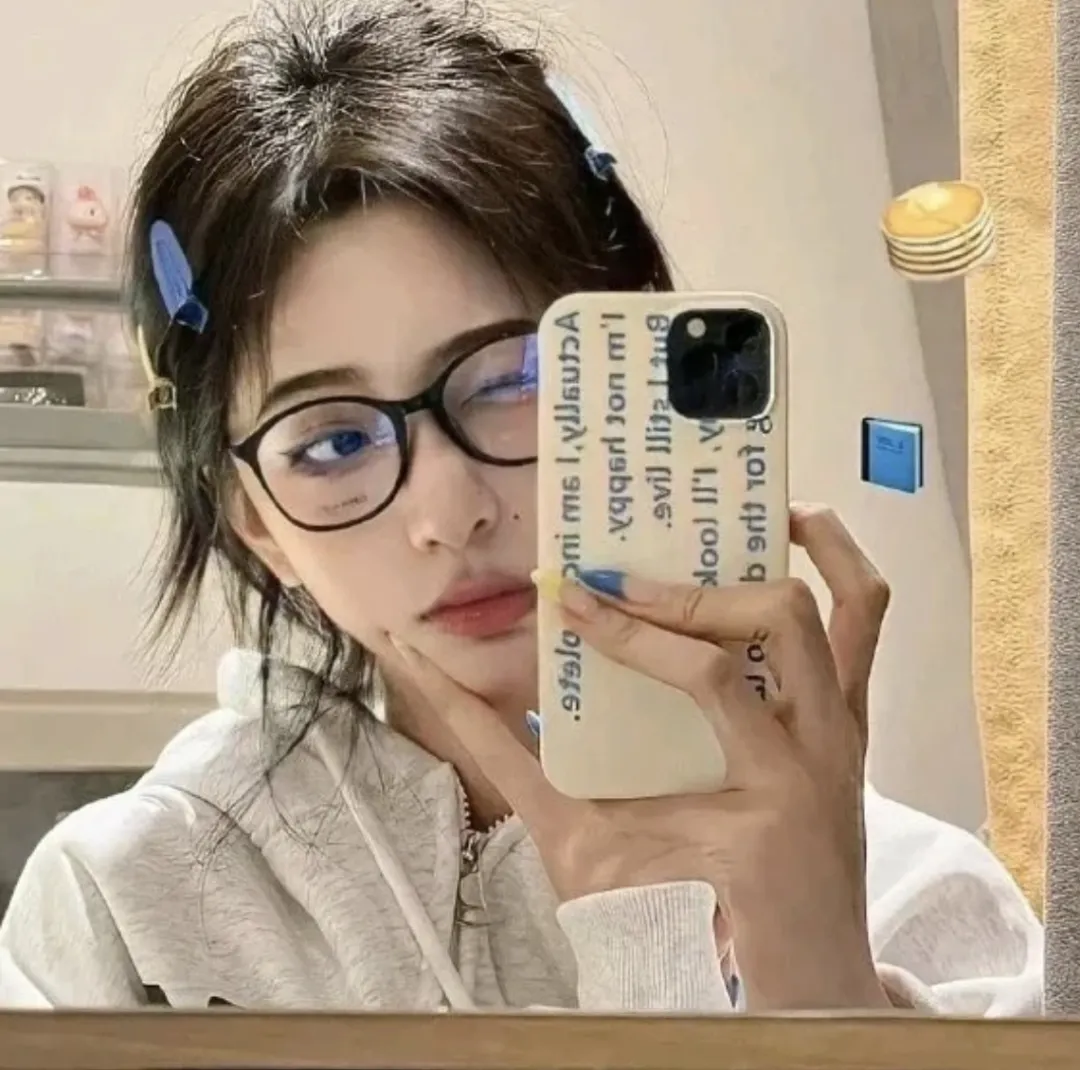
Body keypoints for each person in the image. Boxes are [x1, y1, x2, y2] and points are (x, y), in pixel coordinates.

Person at [0, 0, 1042, 1015]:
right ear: (256, 522)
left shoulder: (912, 900)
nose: (448, 512)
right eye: (331, 442)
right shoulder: (129, 912)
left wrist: (824, 992)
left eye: (514, 380)